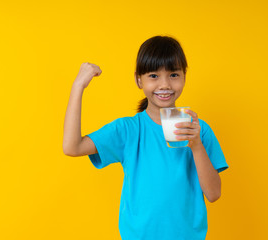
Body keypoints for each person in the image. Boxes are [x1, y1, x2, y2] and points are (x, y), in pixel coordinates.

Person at [63, 35, 229, 240]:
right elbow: (72, 147)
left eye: (174, 74)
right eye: (153, 75)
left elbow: (214, 194)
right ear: (138, 79)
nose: (165, 84)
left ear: (184, 77)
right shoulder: (128, 129)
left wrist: (196, 146)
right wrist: (78, 86)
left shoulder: (199, 130)